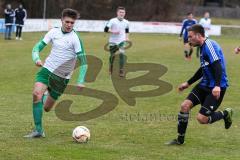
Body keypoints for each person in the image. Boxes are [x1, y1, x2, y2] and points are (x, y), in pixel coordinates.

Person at [24, 8, 88, 138]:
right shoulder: (53, 32)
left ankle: (46, 93)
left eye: (72, 23)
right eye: (67, 22)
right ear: (62, 20)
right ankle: (38, 131)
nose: (69, 25)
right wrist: (36, 59)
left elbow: (84, 62)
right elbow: (37, 47)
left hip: (62, 78)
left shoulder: (75, 38)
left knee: (47, 108)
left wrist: (80, 80)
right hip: (47, 69)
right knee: (36, 94)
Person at [167, 24, 233, 145]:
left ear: (198, 35)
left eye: (190, 37)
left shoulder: (209, 45)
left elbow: (217, 65)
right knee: (184, 106)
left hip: (216, 88)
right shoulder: (202, 47)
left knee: (202, 119)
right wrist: (188, 83)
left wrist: (217, 85)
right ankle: (180, 140)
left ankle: (225, 114)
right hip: (204, 85)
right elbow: (203, 68)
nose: (188, 39)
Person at [104, 6, 129, 77]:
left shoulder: (126, 22)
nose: (122, 14)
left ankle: (121, 71)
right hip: (113, 41)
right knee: (112, 56)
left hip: (122, 41)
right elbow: (105, 29)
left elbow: (127, 30)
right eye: (120, 12)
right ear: (117, 13)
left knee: (121, 54)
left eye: (123, 12)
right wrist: (113, 31)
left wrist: (127, 37)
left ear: (125, 13)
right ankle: (111, 68)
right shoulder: (112, 20)